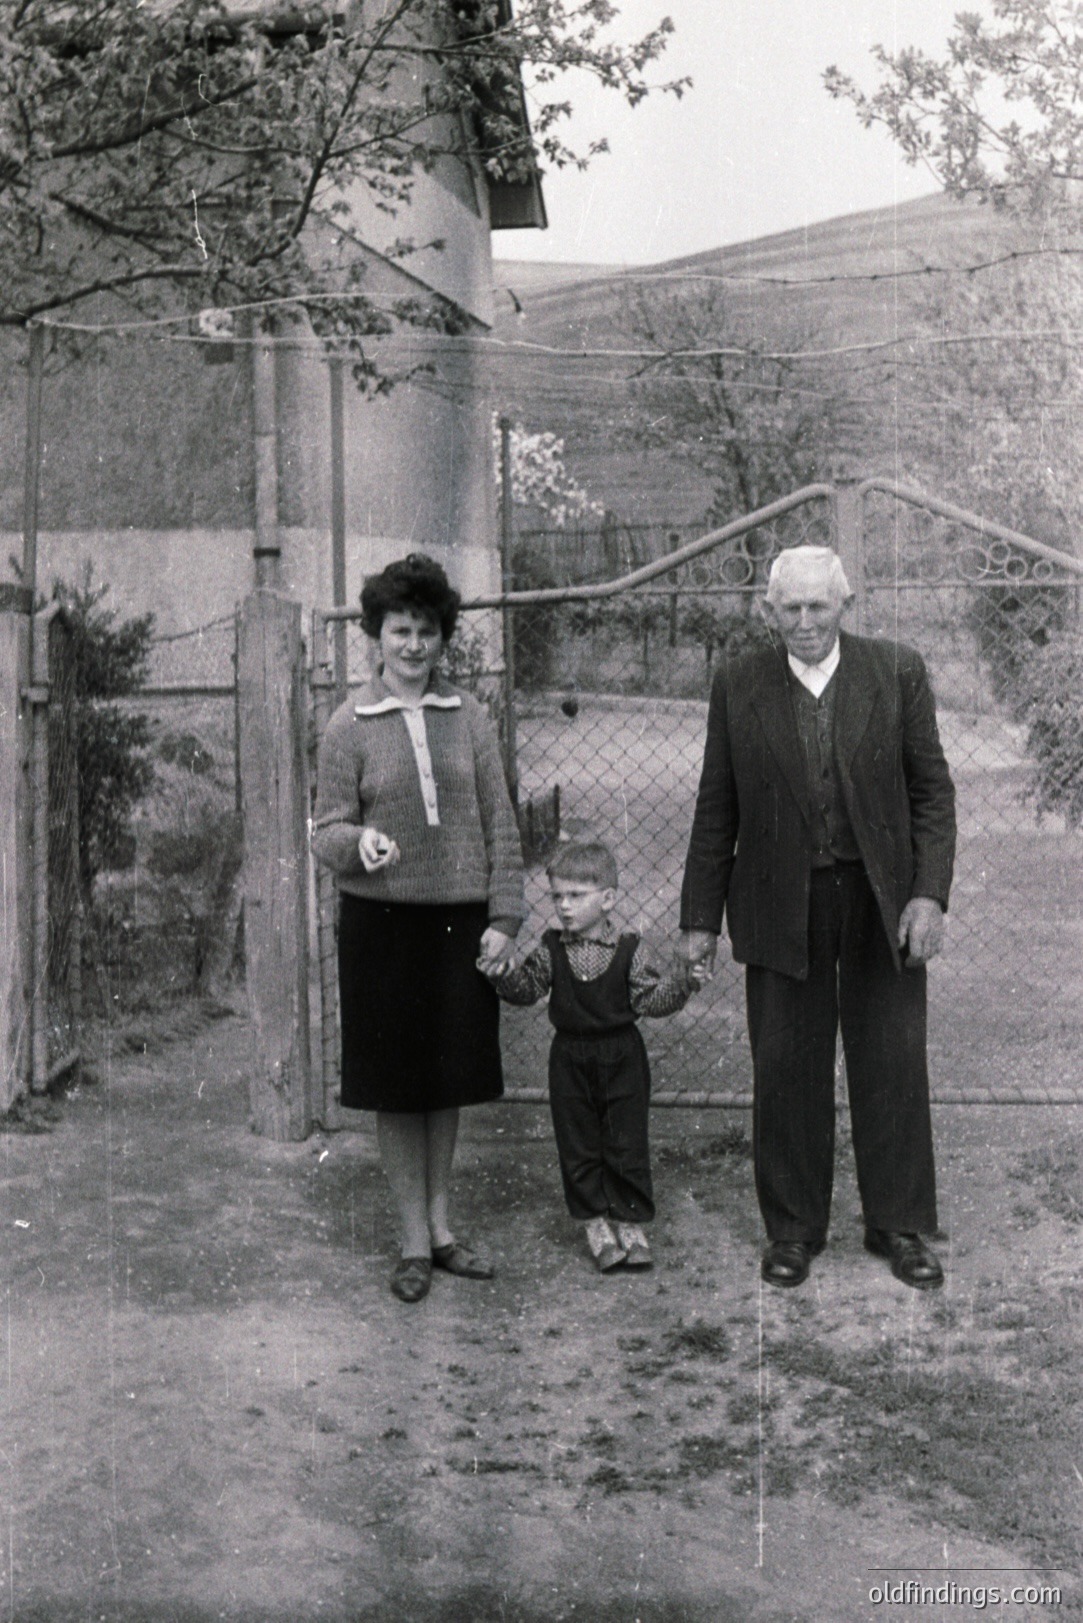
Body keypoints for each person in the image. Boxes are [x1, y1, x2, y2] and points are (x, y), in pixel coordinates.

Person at [678, 546, 956, 1291]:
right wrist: (699, 918)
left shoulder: (895, 671)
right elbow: (716, 806)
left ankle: (896, 1223)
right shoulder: (739, 684)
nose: (804, 622)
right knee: (786, 1065)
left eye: (818, 607)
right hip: (777, 900)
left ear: (844, 605)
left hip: (878, 899)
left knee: (891, 1060)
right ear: (769, 611)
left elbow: (931, 791)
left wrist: (927, 894)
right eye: (789, 608)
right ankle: (793, 1229)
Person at [311, 553, 524, 1304]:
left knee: (447, 1081)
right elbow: (326, 828)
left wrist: (504, 916)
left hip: (460, 926)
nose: (412, 645)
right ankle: (409, 1240)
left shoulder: (469, 717)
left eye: (426, 631)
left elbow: (500, 817)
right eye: (399, 630)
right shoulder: (348, 724)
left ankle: (442, 1230)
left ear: (443, 637)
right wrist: (357, 845)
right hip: (383, 926)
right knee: (399, 1088)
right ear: (375, 634)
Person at [484, 840, 706, 1273]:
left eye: (576, 896)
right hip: (570, 1059)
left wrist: (683, 984)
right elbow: (528, 990)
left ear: (607, 899)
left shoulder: (629, 949)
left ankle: (629, 1221)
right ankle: (594, 1224)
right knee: (578, 1141)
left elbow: (652, 1000)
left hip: (623, 1057)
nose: (564, 907)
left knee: (626, 1139)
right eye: (557, 897)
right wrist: (506, 977)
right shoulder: (551, 949)